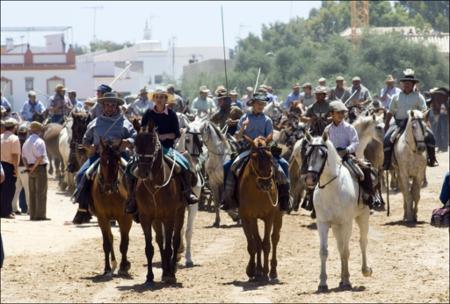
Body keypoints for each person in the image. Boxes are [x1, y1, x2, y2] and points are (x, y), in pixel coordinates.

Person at [124, 89, 199, 219]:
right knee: (130, 167)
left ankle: (187, 191)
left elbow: (175, 133)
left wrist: (162, 136)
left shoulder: (171, 114)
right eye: (157, 97)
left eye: (162, 97)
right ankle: (132, 198)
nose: (159, 99)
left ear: (166, 100)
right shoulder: (148, 113)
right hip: (148, 150)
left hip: (167, 148)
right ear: (154, 99)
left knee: (184, 163)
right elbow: (143, 130)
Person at [72, 92, 136, 224]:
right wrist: (90, 147)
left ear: (117, 106)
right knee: (81, 175)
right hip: (99, 156)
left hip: (119, 155)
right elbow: (85, 140)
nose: (110, 108)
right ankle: (84, 207)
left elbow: (134, 137)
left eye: (112, 105)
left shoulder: (124, 122)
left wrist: (125, 142)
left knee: (134, 174)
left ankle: (135, 203)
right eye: (107, 105)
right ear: (103, 106)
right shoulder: (95, 123)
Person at [220, 93, 290, 214]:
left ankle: (285, 199)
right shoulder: (244, 118)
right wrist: (243, 127)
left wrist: (261, 141)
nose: (261, 106)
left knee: (283, 164)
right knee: (228, 166)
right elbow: (237, 137)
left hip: (263, 149)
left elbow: (270, 136)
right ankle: (228, 199)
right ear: (253, 104)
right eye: (259, 103)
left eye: (263, 104)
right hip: (247, 149)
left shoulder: (267, 120)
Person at [325, 100, 383, 210]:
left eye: (343, 113)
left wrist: (347, 150)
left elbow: (355, 143)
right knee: (316, 172)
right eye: (338, 113)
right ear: (331, 114)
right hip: (331, 158)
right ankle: (313, 201)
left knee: (363, 171)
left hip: (346, 157)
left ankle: (370, 196)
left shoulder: (349, 128)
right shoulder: (327, 129)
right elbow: (325, 143)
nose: (341, 115)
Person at [383, 69, 438, 169]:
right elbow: (390, 112)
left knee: (431, 137)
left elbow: (424, 111)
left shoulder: (419, 97)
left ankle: (431, 158)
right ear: (402, 84)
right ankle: (387, 162)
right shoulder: (396, 97)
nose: (406, 85)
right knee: (387, 139)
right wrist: (386, 125)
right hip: (399, 123)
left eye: (409, 83)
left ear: (413, 85)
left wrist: (426, 123)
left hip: (416, 123)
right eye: (405, 83)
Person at [22, 121, 50, 221]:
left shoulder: (26, 142)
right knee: (41, 193)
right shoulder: (40, 141)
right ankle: (40, 215)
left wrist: (28, 168)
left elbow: (24, 157)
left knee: (32, 193)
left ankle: (33, 215)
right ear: (39, 130)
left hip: (30, 168)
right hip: (39, 168)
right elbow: (40, 157)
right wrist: (33, 168)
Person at [0, 118, 20, 218]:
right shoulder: (14, 138)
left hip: (0, 165)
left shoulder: (0, 136)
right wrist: (16, 170)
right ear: (14, 127)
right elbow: (15, 156)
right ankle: (6, 212)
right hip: (8, 166)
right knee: (9, 190)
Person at [11, 124, 30, 215]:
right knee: (27, 188)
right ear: (26, 133)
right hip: (24, 167)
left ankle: (14, 207)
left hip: (15, 166)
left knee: (17, 188)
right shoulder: (27, 142)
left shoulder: (15, 140)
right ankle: (30, 208)